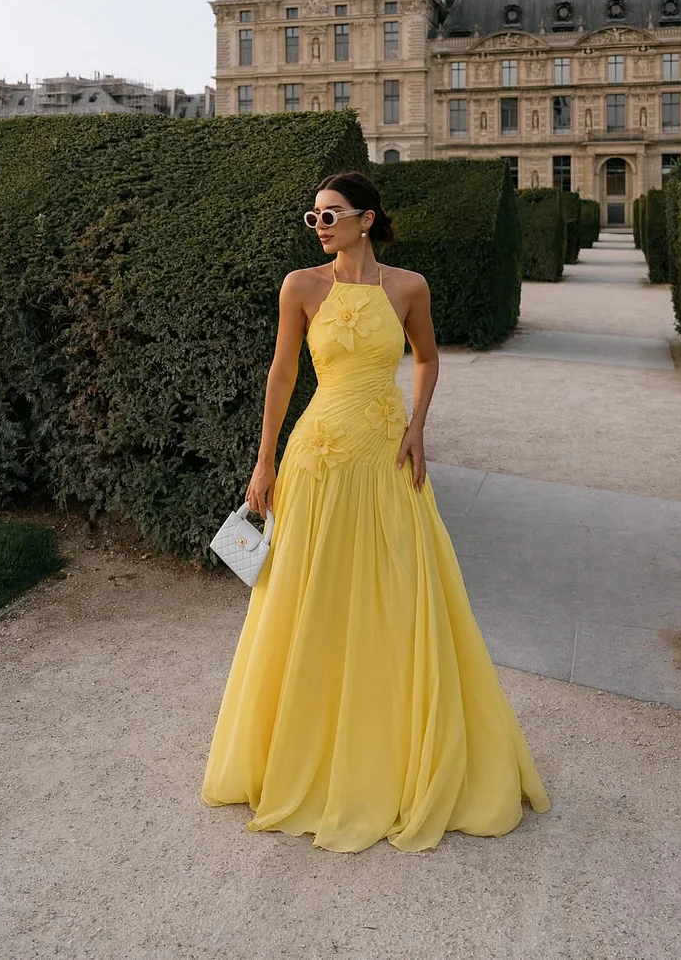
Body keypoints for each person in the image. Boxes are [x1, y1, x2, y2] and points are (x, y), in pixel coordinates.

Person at [201, 171, 550, 852]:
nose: (320, 225)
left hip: (387, 458)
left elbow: (427, 359)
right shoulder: (301, 287)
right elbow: (282, 373)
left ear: (367, 219)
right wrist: (265, 462)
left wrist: (418, 428)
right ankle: (303, 748)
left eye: (332, 214)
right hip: (318, 459)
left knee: (399, 593)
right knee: (310, 597)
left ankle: (391, 744)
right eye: (314, 216)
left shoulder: (409, 287)